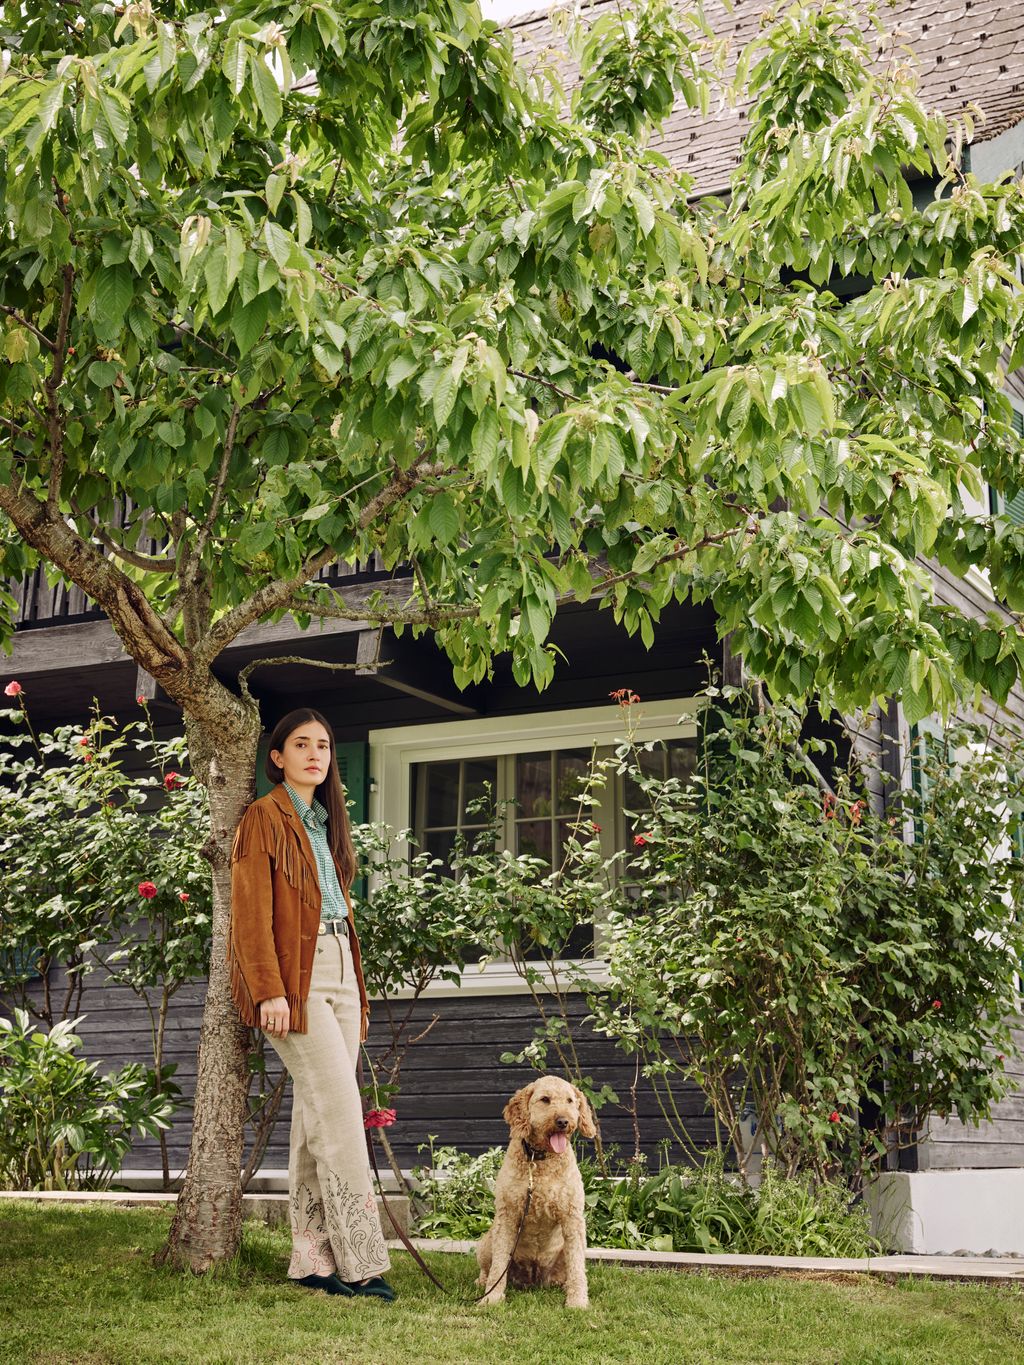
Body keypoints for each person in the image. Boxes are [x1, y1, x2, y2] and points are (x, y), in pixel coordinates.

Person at [228, 706, 395, 1301]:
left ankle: (311, 1258)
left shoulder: (325, 822)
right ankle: (362, 1260)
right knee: (341, 1114)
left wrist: (358, 993)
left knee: (313, 1117)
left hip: (341, 970)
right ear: (277, 758)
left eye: (323, 745)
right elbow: (250, 913)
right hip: (294, 979)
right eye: (301, 744)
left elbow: (336, 912)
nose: (315, 754)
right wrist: (269, 988)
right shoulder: (262, 817)